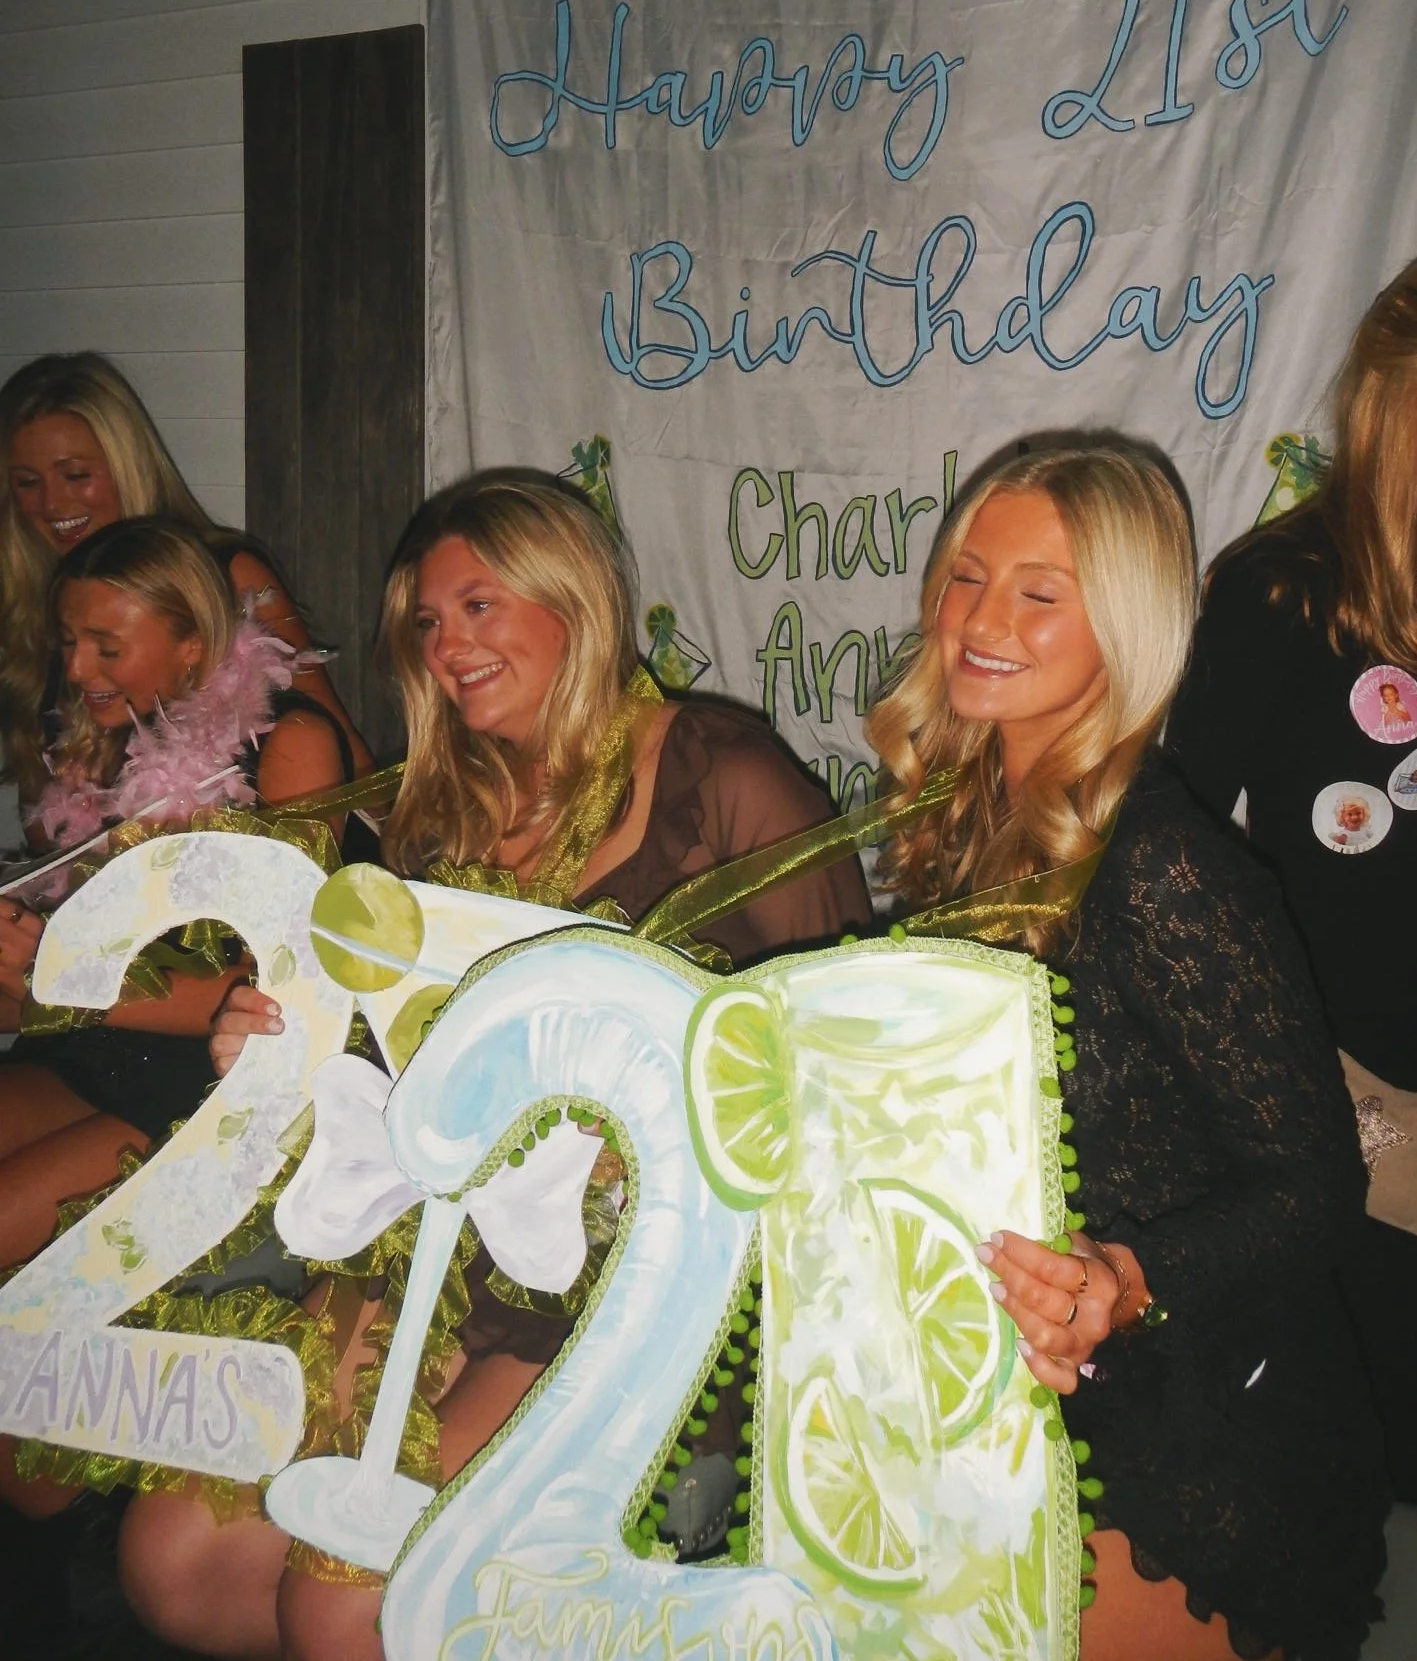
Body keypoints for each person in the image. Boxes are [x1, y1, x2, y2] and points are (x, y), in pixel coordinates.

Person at [118, 468, 871, 1661]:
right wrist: (278, 1034)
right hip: (449, 1246)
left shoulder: (727, 777)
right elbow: (389, 1043)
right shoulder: (440, 807)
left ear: (573, 596)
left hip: (655, 1285)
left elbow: (843, 1060)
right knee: (176, 1560)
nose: (448, 641)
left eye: (480, 603)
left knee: (346, 1599)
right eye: (427, 618)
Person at [865, 439, 1389, 1661]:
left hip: (1200, 1427)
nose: (982, 621)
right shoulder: (962, 830)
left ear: (1128, 621)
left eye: (1040, 593)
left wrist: (1129, 1276)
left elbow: (1318, 1191)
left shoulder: (1163, 863)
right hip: (1013, 1377)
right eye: (967, 577)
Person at [1166, 245, 1417, 1510]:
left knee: (1407, 1419)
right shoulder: (1283, 588)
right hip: (1274, 1081)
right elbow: (1176, 842)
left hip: (1414, 1076)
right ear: (1414, 387)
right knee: (1289, 1434)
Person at [0, 518, 355, 1275]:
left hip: (216, 1076)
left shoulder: (290, 746)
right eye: (68, 641)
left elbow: (288, 988)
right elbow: (51, 986)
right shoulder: (91, 752)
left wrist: (60, 987)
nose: (77, 666)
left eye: (106, 645)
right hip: (92, 1052)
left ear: (192, 643)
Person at [0, 351, 369, 807]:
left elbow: (345, 757)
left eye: (76, 475)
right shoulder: (32, 605)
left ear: (127, 466)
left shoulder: (225, 574)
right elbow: (44, 815)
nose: (53, 502)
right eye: (27, 482)